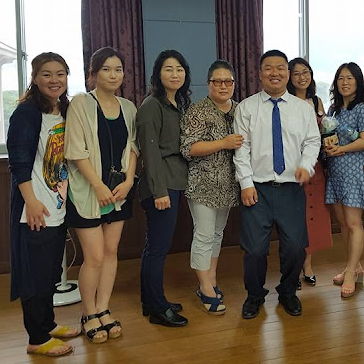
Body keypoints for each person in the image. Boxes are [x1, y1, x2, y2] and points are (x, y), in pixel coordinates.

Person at [233, 49, 320, 319]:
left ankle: (288, 292)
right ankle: (254, 295)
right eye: (268, 68)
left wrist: (306, 165)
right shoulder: (246, 108)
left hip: (291, 189)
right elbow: (241, 148)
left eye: (280, 68)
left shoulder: (302, 109)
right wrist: (245, 183)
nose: (275, 73)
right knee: (254, 250)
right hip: (256, 189)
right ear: (259, 74)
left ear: (288, 73)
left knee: (295, 247)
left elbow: (312, 141)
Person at [65, 47, 138, 343]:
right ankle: (89, 313)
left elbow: (133, 147)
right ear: (93, 74)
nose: (113, 75)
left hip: (119, 192)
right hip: (88, 191)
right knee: (93, 256)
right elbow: (75, 150)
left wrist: (130, 181)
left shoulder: (128, 107)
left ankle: (104, 308)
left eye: (118, 69)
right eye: (106, 69)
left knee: (110, 253)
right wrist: (97, 185)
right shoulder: (81, 103)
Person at [7, 52, 78, 357]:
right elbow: (18, 162)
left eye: (60, 74)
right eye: (46, 74)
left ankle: (47, 324)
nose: (54, 80)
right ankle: (36, 338)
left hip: (56, 205)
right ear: (35, 78)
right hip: (34, 209)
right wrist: (31, 201)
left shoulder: (65, 110)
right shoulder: (26, 113)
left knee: (50, 273)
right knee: (34, 276)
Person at [180, 59, 241, 316]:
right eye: (218, 81)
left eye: (228, 81)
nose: (223, 86)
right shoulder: (198, 111)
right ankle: (204, 287)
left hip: (228, 185)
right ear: (208, 84)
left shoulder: (239, 110)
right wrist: (223, 143)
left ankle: (211, 278)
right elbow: (188, 148)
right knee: (204, 235)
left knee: (217, 235)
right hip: (202, 185)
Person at [137, 50, 191, 327]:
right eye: (168, 69)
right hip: (161, 185)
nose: (175, 74)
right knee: (158, 248)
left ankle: (151, 301)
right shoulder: (152, 105)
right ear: (158, 74)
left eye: (179, 69)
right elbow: (149, 152)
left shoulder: (177, 103)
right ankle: (158, 308)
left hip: (174, 181)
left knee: (155, 246)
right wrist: (159, 191)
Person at [324, 62, 364, 299]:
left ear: (358, 82)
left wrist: (341, 150)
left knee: (354, 224)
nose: (345, 82)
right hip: (335, 172)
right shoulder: (333, 110)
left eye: (350, 78)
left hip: (354, 172)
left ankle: (351, 273)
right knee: (343, 224)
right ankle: (353, 267)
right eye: (341, 78)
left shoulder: (363, 109)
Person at [287, 57, 333, 287]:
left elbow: (323, 133)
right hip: (291, 166)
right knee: (295, 217)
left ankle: (308, 265)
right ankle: (293, 268)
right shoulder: (285, 101)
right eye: (296, 73)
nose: (301, 77)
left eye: (305, 72)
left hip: (315, 166)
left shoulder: (316, 101)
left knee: (313, 215)